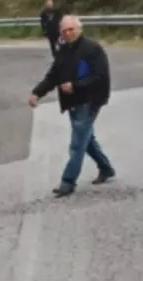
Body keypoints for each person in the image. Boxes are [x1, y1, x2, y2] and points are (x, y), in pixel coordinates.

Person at [28, 15, 115, 197]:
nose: (68, 33)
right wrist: (37, 93)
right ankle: (106, 168)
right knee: (86, 140)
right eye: (64, 31)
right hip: (73, 102)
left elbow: (100, 77)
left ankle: (68, 182)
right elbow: (52, 76)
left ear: (79, 29)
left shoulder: (93, 49)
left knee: (77, 143)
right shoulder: (63, 52)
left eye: (71, 29)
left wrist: (75, 86)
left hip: (90, 100)